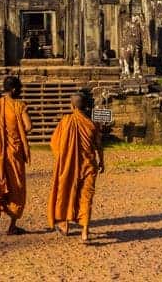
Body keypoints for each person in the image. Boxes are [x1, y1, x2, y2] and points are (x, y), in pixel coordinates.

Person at [47, 93, 105, 244]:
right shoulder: (92, 124)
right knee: (86, 197)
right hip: (88, 165)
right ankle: (84, 232)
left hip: (69, 165)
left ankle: (64, 224)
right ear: (86, 106)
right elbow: (98, 145)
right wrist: (102, 161)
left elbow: (54, 144)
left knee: (66, 191)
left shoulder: (65, 121)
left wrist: (63, 157)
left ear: (72, 106)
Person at [0, 75, 33, 235]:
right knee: (16, 185)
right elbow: (28, 126)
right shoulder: (18, 105)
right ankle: (12, 225)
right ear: (15, 89)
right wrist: (18, 132)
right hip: (13, 151)